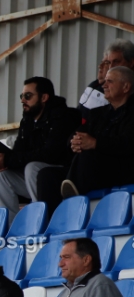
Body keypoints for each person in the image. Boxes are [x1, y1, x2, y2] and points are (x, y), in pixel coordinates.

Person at [0, 77, 81, 218]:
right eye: (22, 96)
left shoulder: (63, 116)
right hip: (36, 179)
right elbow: (19, 152)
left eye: (28, 96)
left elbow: (51, 154)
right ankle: (9, 225)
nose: (23, 100)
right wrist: (4, 161)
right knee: (0, 175)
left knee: (32, 168)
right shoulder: (27, 121)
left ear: (44, 97)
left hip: (62, 177)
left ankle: (42, 219)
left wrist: (10, 159)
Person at [61, 66, 134, 198]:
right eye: (105, 81)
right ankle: (55, 211)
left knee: (87, 155)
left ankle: (73, 203)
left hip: (123, 170)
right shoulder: (97, 113)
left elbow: (129, 143)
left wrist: (96, 143)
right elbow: (78, 133)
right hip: (95, 170)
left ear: (126, 87)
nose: (104, 85)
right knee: (47, 175)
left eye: (110, 81)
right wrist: (75, 142)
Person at [79, 40, 134, 116]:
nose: (111, 67)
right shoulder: (97, 84)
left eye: (116, 61)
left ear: (131, 63)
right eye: (108, 62)